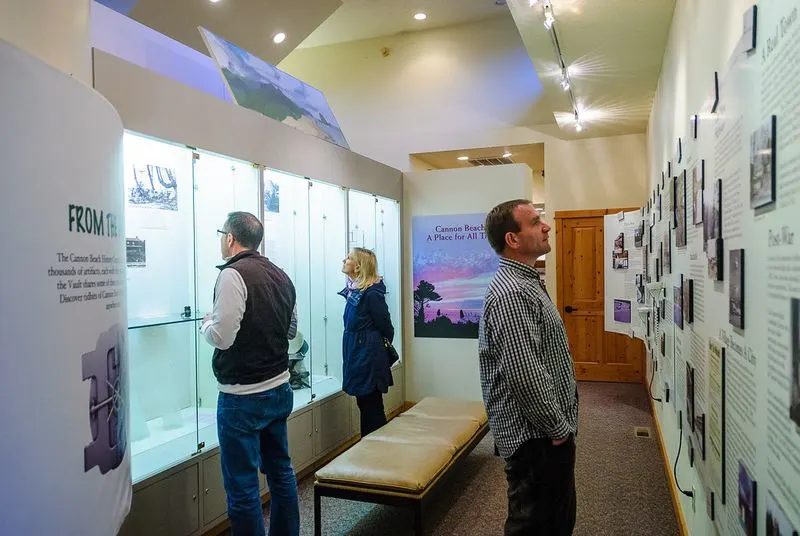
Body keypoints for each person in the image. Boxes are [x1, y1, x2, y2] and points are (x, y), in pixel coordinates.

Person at [478, 200, 579, 536]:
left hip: (542, 436)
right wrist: (559, 429)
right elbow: (525, 374)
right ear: (513, 239)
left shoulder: (526, 282)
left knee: (554, 522)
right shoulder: (513, 293)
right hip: (536, 439)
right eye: (536, 222)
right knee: (536, 527)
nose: (546, 226)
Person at [200, 211, 299, 536]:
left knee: (242, 488)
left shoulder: (232, 275)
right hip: (279, 388)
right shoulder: (280, 274)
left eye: (220, 234)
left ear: (229, 238)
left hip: (242, 398)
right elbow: (290, 330)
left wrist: (205, 324)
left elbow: (223, 337)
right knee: (281, 473)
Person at [338, 247, 395, 437]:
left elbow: (385, 325)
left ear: (358, 266)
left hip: (368, 354)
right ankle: (368, 447)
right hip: (358, 351)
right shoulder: (356, 291)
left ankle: (379, 450)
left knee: (371, 404)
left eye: (349, 258)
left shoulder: (370, 294)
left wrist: (373, 344)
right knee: (364, 402)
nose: (344, 260)